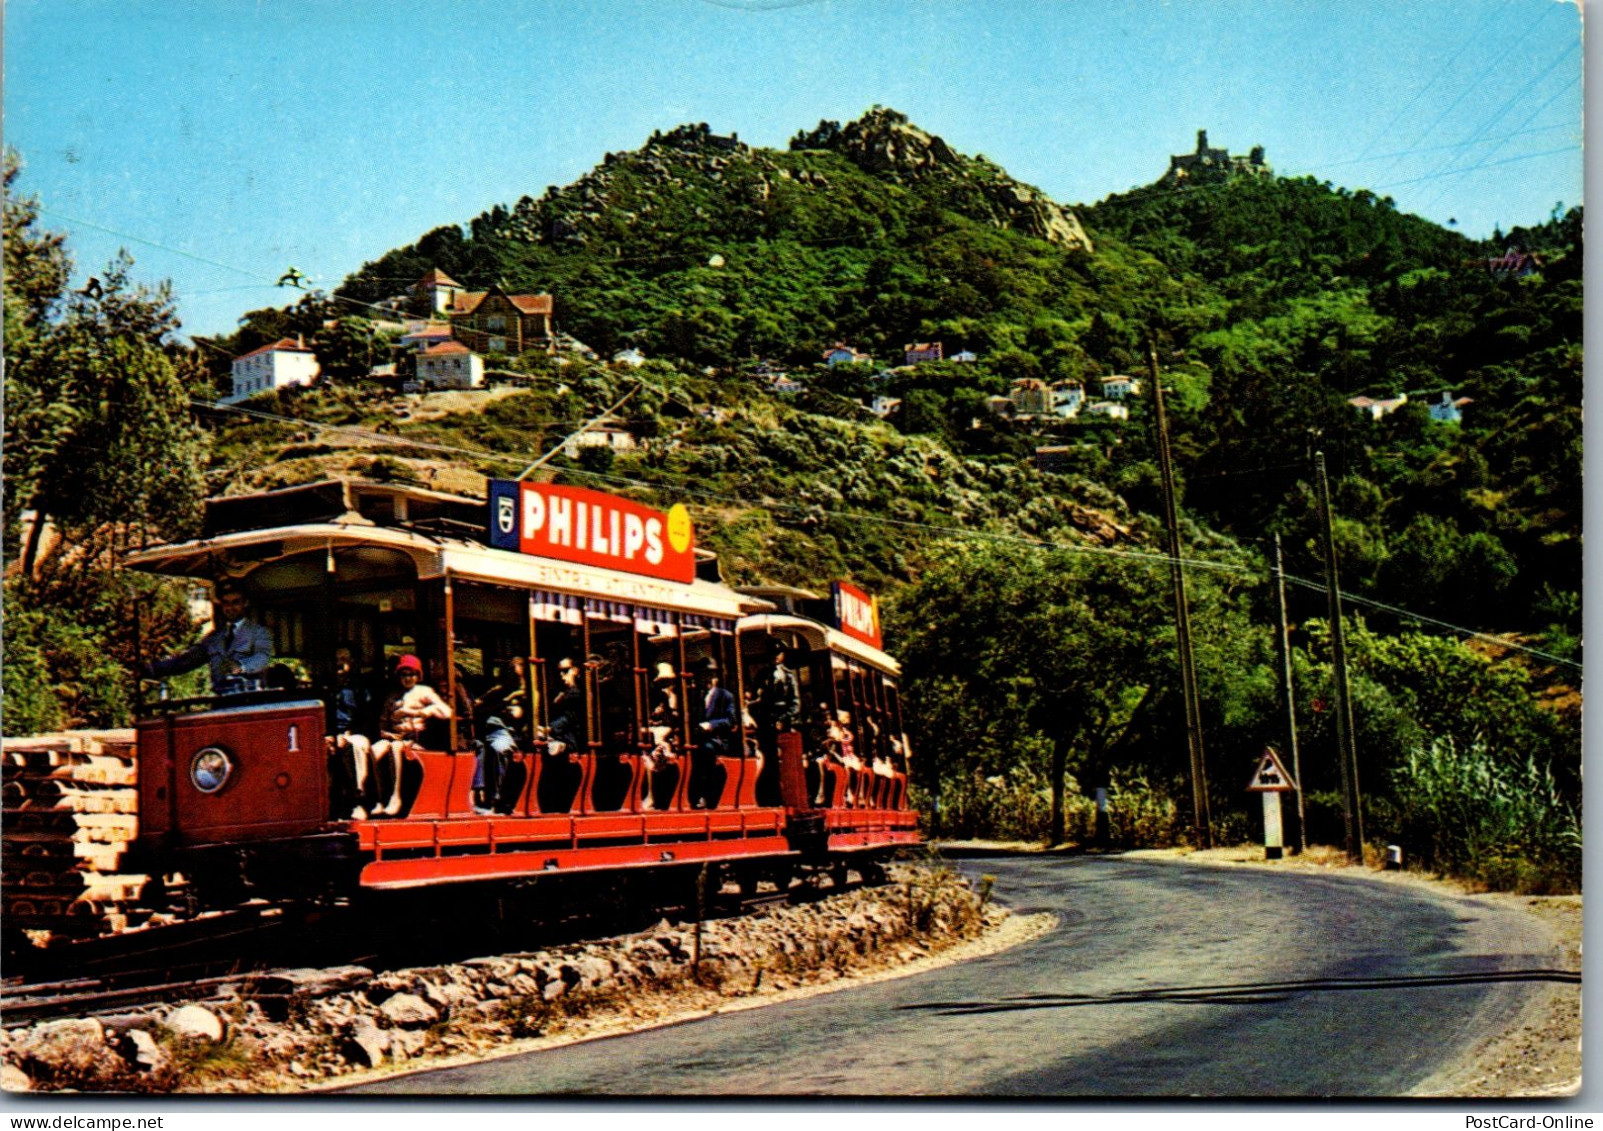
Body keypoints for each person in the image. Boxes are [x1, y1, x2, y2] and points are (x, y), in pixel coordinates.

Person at [144, 580, 272, 695]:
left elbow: (261, 658)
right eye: (226, 603)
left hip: (252, 702)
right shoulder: (214, 638)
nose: (230, 608)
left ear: (245, 603)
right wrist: (154, 668)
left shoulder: (259, 633)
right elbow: (187, 661)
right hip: (222, 703)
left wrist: (241, 666)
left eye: (235, 602)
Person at [370, 654, 451, 817]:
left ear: (418, 675)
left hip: (415, 739)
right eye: (404, 674)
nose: (408, 678)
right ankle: (378, 798)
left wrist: (419, 712)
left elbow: (447, 712)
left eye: (411, 674)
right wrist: (387, 733)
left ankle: (396, 796)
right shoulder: (392, 696)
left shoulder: (424, 691)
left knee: (396, 748)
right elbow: (383, 723)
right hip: (393, 737)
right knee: (374, 750)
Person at [329, 645, 377, 820]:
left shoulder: (361, 688)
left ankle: (358, 802)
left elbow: (368, 718)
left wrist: (348, 734)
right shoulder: (329, 687)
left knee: (353, 746)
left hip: (357, 733)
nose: (339, 665)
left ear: (352, 662)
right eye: (337, 660)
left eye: (344, 660)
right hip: (333, 735)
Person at [689, 656, 738, 808]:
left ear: (716, 676)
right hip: (697, 738)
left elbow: (731, 720)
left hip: (718, 740)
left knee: (706, 750)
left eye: (711, 674)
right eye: (704, 675)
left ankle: (704, 794)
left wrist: (710, 725)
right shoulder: (695, 695)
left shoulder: (726, 696)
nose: (708, 678)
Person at [751, 640, 801, 761]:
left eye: (778, 653)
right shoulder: (761, 675)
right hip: (764, 722)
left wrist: (782, 718)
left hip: (783, 723)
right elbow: (754, 696)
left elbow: (795, 704)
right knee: (765, 755)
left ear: (783, 655)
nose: (775, 656)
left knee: (783, 758)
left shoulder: (789, 676)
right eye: (773, 653)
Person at [641, 661, 681, 811]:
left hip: (664, 739)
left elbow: (670, 722)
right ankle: (651, 796)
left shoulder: (669, 698)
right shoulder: (648, 698)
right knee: (647, 760)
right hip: (649, 739)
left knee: (667, 757)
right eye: (663, 682)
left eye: (669, 682)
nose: (667, 685)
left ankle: (665, 799)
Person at [545, 656, 587, 756]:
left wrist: (551, 728)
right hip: (558, 735)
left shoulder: (577, 693)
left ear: (575, 671)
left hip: (572, 740)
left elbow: (570, 717)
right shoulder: (560, 692)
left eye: (565, 670)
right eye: (559, 671)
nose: (561, 674)